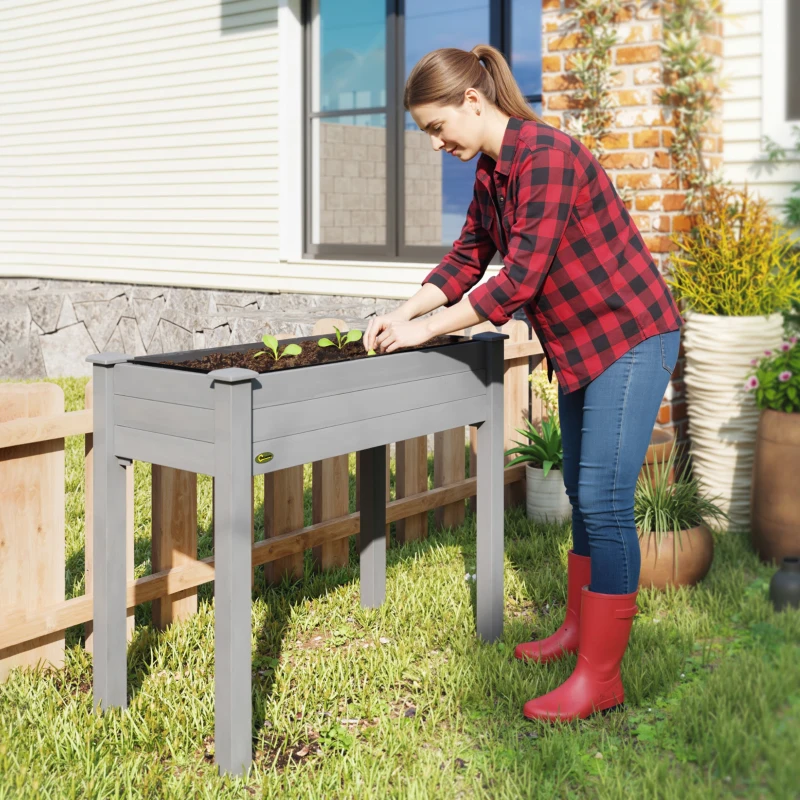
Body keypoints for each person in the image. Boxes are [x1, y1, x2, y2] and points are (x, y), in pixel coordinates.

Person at [362, 44, 682, 723]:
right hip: (582, 344)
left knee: (602, 498)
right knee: (577, 487)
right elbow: (470, 254)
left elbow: (519, 278)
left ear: (472, 103)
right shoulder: (494, 172)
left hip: (631, 334)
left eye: (436, 126)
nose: (436, 142)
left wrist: (430, 331)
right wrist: (404, 311)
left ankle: (601, 677)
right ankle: (578, 631)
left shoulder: (548, 157)